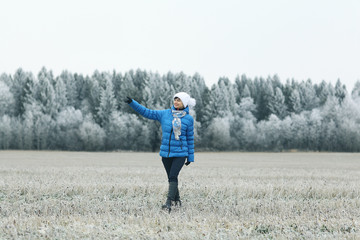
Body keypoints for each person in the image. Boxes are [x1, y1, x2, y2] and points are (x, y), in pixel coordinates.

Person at [125, 92, 195, 212]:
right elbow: (147, 112)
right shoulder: (165, 114)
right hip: (166, 154)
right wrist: (133, 103)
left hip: (180, 153)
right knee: (171, 178)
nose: (176, 102)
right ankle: (177, 200)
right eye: (175, 99)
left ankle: (168, 203)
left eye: (179, 100)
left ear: (184, 103)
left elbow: (190, 138)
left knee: (173, 176)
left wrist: (190, 157)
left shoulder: (188, 119)